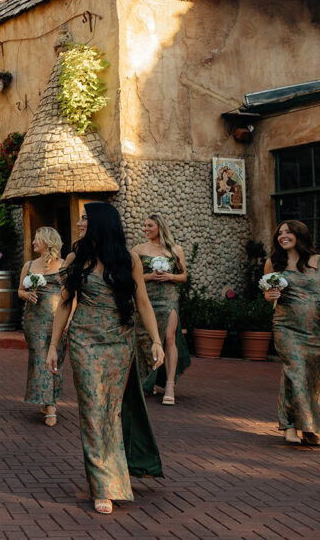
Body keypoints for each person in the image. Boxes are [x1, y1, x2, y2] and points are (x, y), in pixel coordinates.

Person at [45, 202, 164, 515]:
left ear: (101, 224)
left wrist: (155, 341)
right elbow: (63, 305)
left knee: (110, 412)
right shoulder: (76, 258)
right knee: (93, 411)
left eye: (85, 218)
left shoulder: (129, 260)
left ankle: (112, 476)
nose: (80, 223)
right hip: (84, 341)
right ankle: (103, 486)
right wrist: (54, 345)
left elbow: (143, 302)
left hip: (119, 343)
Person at [264, 220, 320, 446]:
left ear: (300, 234)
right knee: (295, 371)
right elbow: (267, 294)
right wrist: (269, 296)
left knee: (310, 379)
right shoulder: (274, 262)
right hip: (286, 325)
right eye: (279, 233)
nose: (283, 236)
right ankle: (289, 425)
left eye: (288, 232)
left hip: (316, 328)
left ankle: (308, 426)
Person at [131, 214, 191, 405]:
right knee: (144, 337)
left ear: (160, 227)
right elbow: (131, 277)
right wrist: (148, 277)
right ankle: (148, 379)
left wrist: (169, 277)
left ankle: (170, 384)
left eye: (150, 225)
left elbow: (183, 276)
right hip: (145, 297)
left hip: (168, 298)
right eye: (144, 225)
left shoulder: (175, 250)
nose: (146, 228)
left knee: (169, 337)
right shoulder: (138, 250)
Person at [18, 227, 66, 426]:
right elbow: (19, 290)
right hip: (34, 319)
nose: (33, 243)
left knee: (56, 359)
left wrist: (69, 320)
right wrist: (26, 294)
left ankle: (48, 400)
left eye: (37, 239)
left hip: (58, 320)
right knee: (40, 357)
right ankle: (50, 407)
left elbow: (71, 296)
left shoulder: (64, 265)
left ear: (48, 241)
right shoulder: (29, 265)